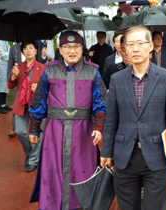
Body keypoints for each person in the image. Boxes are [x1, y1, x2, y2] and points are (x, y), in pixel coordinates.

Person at [100, 26, 166, 210]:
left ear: (151, 46)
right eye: (130, 44)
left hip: (157, 154)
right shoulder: (116, 79)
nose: (135, 49)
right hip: (124, 155)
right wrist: (106, 151)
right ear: (125, 49)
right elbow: (111, 120)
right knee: (127, 205)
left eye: (140, 43)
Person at [29, 31, 107, 210]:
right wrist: (34, 128)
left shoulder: (92, 70)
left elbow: (101, 102)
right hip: (54, 132)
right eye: (67, 47)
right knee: (53, 171)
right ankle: (52, 205)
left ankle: (81, 205)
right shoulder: (49, 70)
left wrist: (99, 126)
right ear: (60, 49)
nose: (72, 51)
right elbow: (39, 100)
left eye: (76, 47)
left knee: (83, 170)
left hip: (84, 132)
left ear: (82, 49)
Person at [7, 40, 45, 172]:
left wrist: (39, 87)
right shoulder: (18, 66)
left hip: (36, 104)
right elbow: (10, 86)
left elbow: (49, 87)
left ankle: (33, 160)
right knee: (20, 131)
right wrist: (13, 76)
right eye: (25, 48)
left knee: (37, 133)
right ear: (22, 51)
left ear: (36, 50)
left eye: (31, 48)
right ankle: (30, 155)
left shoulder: (42, 67)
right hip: (21, 104)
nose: (28, 50)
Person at [0, 40, 11, 114]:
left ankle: (3, 104)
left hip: (5, 64)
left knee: (5, 83)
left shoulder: (5, 40)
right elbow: (0, 53)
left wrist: (8, 55)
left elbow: (10, 50)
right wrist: (9, 56)